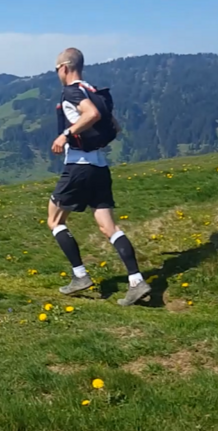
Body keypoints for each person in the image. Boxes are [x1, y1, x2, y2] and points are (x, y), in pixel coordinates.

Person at [48, 48, 151, 306]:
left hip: (78, 166)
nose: (57, 73)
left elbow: (91, 115)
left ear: (65, 67)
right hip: (100, 167)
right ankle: (136, 281)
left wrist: (66, 135)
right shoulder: (92, 90)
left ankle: (80, 276)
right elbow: (114, 125)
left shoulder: (72, 91)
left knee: (54, 220)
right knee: (109, 227)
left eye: (56, 68)